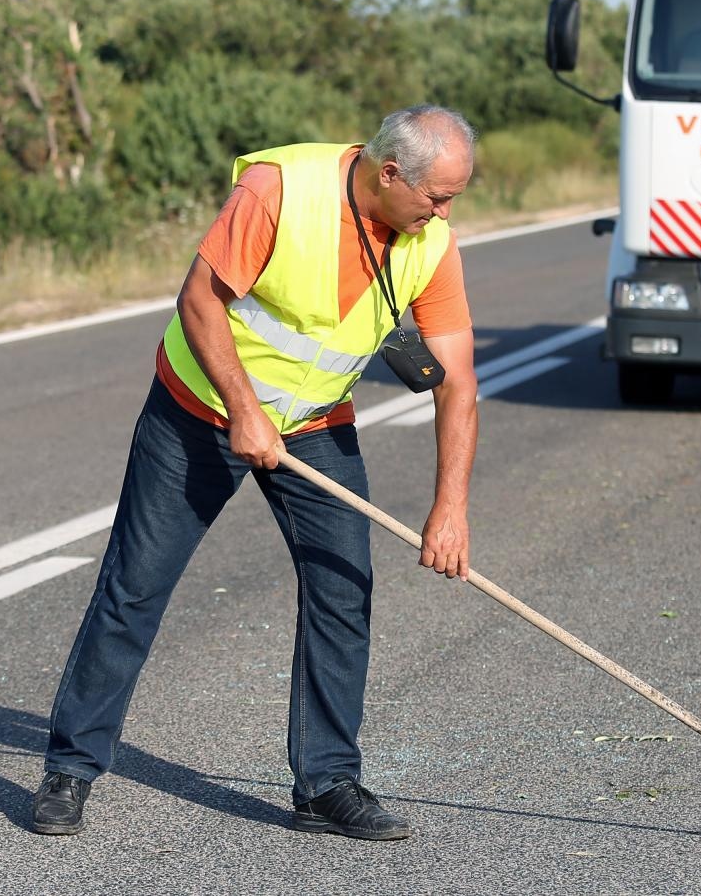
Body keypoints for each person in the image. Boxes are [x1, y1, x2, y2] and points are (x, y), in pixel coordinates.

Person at [31, 105, 480, 841]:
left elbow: (457, 380)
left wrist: (450, 507)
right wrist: (243, 407)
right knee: (136, 585)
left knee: (344, 586)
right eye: (437, 197)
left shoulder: (431, 244)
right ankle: (70, 766)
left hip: (315, 423)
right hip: (200, 407)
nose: (444, 213)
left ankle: (327, 782)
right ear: (389, 173)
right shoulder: (281, 191)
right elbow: (199, 300)